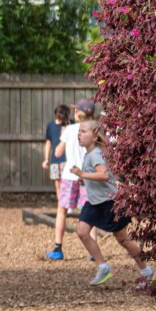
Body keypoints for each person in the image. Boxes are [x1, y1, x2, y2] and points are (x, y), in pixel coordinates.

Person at [67, 120, 153, 287]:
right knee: (82, 231)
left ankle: (147, 272)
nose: (79, 134)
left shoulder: (95, 155)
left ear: (94, 136)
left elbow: (104, 176)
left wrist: (83, 174)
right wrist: (84, 180)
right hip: (95, 203)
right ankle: (103, 266)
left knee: (124, 240)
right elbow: (98, 177)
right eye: (79, 131)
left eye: (83, 131)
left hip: (110, 203)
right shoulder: (89, 154)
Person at [54, 98, 96, 259]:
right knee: (90, 213)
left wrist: (62, 138)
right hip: (88, 177)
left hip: (69, 176)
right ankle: (93, 251)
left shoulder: (69, 130)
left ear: (78, 113)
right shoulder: (94, 130)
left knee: (62, 210)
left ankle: (58, 248)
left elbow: (58, 153)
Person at [42, 104, 72, 260]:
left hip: (68, 161)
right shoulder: (50, 126)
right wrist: (46, 159)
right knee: (58, 185)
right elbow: (48, 143)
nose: (61, 119)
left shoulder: (71, 125)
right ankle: (63, 204)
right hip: (55, 160)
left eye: (63, 116)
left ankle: (66, 206)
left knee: (65, 184)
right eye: (59, 116)